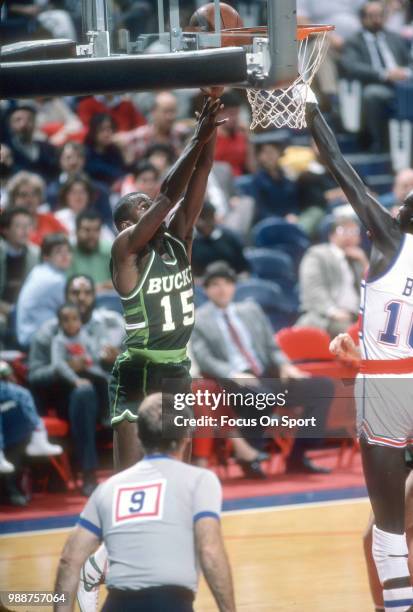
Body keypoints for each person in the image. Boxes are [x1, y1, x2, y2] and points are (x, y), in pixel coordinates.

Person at [305, 86, 413, 611]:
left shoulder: (390, 239)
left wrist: (306, 102)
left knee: (387, 533)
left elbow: (338, 165)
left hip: (389, 388)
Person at [109, 96, 224, 471]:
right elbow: (168, 196)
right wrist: (194, 137)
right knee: (129, 476)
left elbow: (202, 173)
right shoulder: (125, 249)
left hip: (176, 368)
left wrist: (211, 122)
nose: (152, 207)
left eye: (148, 203)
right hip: (140, 370)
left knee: (177, 473)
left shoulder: (178, 240)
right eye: (141, 206)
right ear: (127, 226)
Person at [54, 393, 235, 612]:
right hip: (169, 603)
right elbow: (209, 551)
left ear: (138, 435)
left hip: (116, 604)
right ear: (188, 436)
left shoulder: (107, 488)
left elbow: (69, 559)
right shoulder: (200, 480)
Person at [191, 261, 333, 474]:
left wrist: (285, 365)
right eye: (216, 285)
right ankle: (249, 454)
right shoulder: (198, 320)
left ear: (234, 286)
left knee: (323, 387)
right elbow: (204, 358)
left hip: (265, 375)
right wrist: (232, 373)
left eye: (227, 283)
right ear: (206, 289)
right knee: (259, 395)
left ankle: (297, 456)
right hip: (233, 381)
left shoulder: (251, 310)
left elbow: (271, 346)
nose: (222, 289)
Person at [28, 274, 124, 496]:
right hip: (61, 394)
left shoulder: (104, 325)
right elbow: (34, 376)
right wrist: (65, 367)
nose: (81, 298)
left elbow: (118, 366)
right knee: (84, 392)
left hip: (102, 391)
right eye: (75, 293)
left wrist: (116, 359)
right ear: (65, 297)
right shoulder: (48, 332)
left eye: (87, 293)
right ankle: (88, 475)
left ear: (94, 297)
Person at [340, 0, 413, 151]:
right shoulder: (354, 41)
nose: (376, 19)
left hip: (404, 84)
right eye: (371, 16)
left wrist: (404, 72)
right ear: (362, 18)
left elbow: (409, 61)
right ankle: (379, 144)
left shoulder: (395, 37)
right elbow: (352, 66)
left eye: (380, 15)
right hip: (377, 84)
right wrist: (384, 74)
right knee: (372, 94)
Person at [296, 215, 368, 336]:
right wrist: (332, 311)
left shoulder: (358, 259)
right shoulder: (317, 255)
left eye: (354, 232)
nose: (350, 235)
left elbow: (373, 289)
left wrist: (364, 262)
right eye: (344, 231)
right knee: (356, 336)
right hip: (325, 317)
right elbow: (313, 289)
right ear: (332, 235)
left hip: (355, 317)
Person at [16, 233, 72, 348]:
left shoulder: (39, 270)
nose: (65, 255)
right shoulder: (55, 280)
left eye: (67, 251)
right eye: (58, 252)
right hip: (35, 339)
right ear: (46, 256)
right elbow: (74, 311)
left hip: (26, 334)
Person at [46, 142, 113, 228]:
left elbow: (107, 220)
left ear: (84, 160)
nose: (73, 161)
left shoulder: (100, 190)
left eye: (78, 157)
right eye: (68, 157)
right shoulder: (50, 191)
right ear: (60, 160)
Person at [0, 207, 39, 342]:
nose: (25, 231)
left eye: (28, 226)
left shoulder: (35, 253)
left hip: (24, 309)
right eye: (18, 226)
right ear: (5, 230)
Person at [51, 303, 107, 388]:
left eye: (74, 319)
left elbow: (95, 354)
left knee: (104, 383)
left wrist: (89, 358)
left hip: (92, 372)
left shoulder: (85, 336)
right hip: (71, 377)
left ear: (80, 321)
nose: (71, 323)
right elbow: (58, 364)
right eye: (66, 320)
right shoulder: (59, 341)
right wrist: (74, 380)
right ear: (59, 322)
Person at [6, 171, 67, 245]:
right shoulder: (5, 220)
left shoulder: (49, 219)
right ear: (13, 198)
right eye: (23, 195)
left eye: (34, 194)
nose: (29, 200)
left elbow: (66, 240)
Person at [191, 201, 249, 277]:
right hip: (203, 283)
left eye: (206, 218)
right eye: (199, 219)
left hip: (233, 280)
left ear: (214, 218)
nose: (202, 223)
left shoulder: (230, 237)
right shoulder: (192, 242)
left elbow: (244, 269)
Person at [4, 103, 58, 180]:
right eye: (18, 120)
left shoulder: (47, 149)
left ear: (35, 123)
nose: (23, 124)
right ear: (10, 124)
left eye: (29, 119)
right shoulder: (6, 150)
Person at [68, 210, 113, 293]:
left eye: (96, 230)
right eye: (87, 230)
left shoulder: (110, 250)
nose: (92, 235)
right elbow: (68, 287)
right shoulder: (68, 253)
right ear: (76, 231)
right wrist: (103, 286)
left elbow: (120, 283)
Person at [84, 114, 128, 186]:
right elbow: (96, 170)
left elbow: (126, 170)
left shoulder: (114, 149)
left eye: (110, 129)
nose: (107, 133)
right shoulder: (86, 151)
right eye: (102, 129)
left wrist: (125, 150)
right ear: (93, 131)